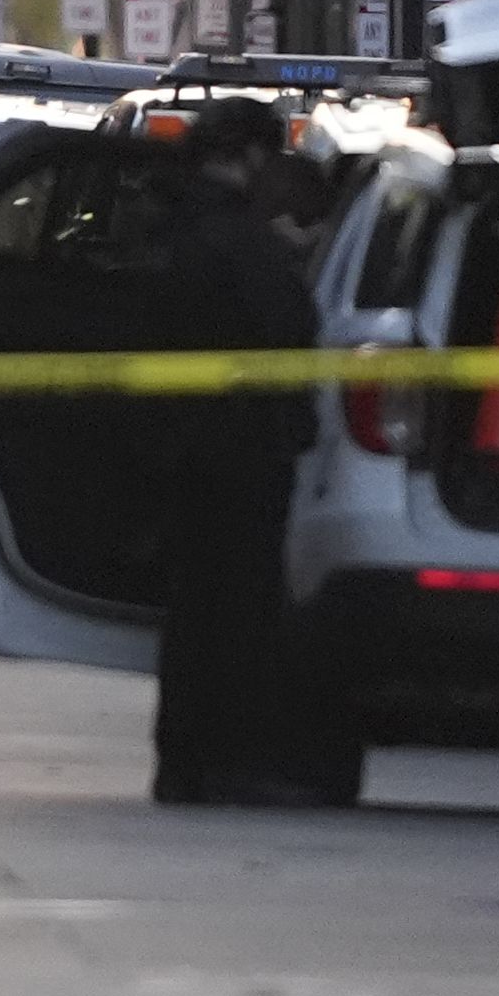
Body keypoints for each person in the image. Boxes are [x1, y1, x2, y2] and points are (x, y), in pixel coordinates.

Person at [138, 97, 337, 805]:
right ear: (250, 154)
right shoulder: (237, 237)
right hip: (240, 447)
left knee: (193, 610)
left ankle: (184, 758)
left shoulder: (165, 225)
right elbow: (290, 323)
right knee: (238, 610)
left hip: (183, 444)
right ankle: (223, 758)